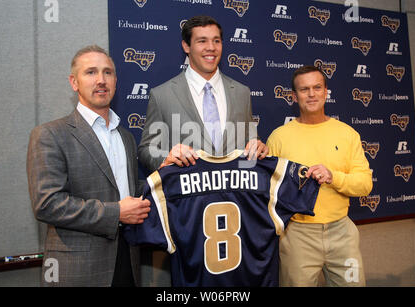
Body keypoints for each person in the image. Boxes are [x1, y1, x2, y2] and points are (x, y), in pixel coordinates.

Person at [27, 45, 151, 287]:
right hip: (79, 271)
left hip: (128, 264)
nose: (101, 80)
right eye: (91, 72)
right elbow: (48, 204)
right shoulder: (50, 134)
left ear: (115, 80)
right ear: (74, 82)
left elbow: (126, 191)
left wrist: (169, 175)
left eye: (107, 73)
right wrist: (116, 212)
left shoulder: (124, 136)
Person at [266, 65, 373, 286]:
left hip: (342, 234)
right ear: (294, 97)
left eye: (317, 87)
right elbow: (267, 191)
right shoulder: (279, 138)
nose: (312, 94)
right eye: (304, 89)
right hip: (297, 236)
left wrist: (334, 177)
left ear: (326, 92)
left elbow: (364, 184)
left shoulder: (347, 134)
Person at [138, 15, 268, 174]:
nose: (211, 47)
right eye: (202, 41)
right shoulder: (162, 95)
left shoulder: (242, 93)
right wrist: (166, 159)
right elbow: (146, 150)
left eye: (216, 41)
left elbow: (251, 142)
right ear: (186, 46)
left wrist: (258, 147)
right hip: (185, 196)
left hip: (234, 196)